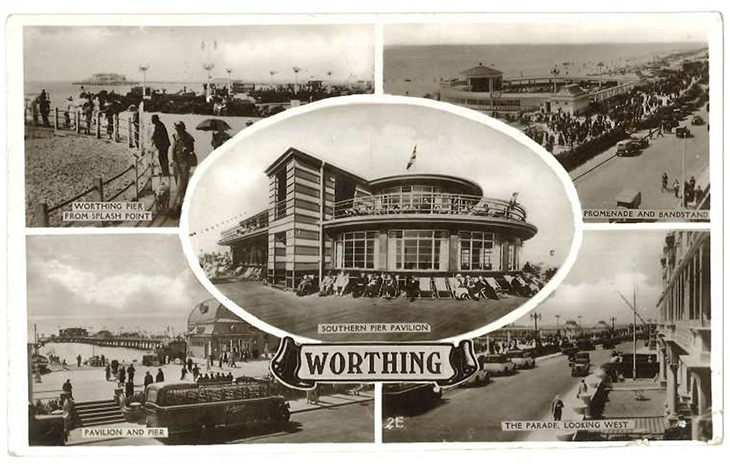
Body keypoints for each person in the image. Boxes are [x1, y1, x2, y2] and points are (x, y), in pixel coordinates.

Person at [171, 121, 196, 215]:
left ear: (182, 128)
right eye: (176, 128)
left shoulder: (189, 138)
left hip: (184, 163)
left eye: (178, 128)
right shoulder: (174, 136)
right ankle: (180, 201)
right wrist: (172, 160)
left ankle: (181, 203)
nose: (177, 130)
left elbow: (192, 149)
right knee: (177, 181)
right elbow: (173, 148)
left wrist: (187, 149)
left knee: (183, 183)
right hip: (176, 162)